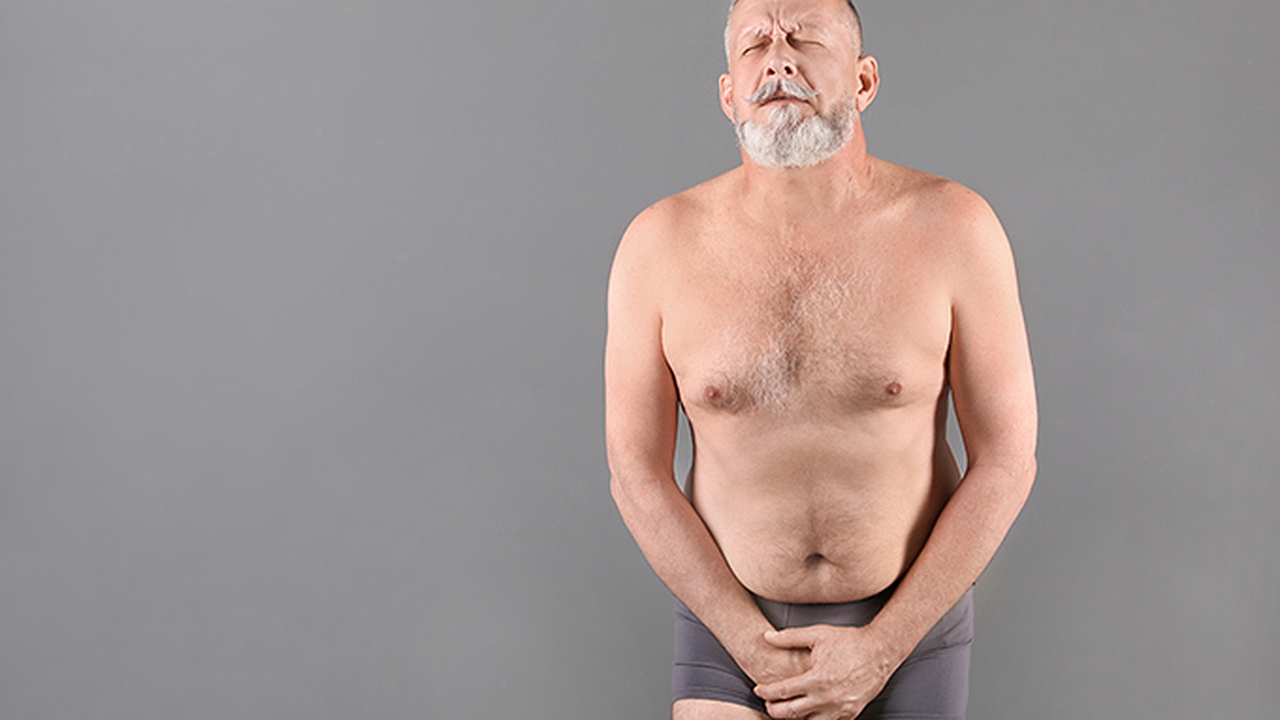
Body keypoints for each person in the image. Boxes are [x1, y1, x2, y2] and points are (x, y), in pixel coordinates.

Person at [605, 0, 1038, 717]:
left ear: (864, 81)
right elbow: (634, 474)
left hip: (910, 625)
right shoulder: (659, 244)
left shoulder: (955, 227)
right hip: (730, 623)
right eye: (756, 45)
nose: (779, 59)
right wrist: (750, 647)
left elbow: (1008, 461)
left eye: (805, 39)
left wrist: (883, 648)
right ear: (728, 93)